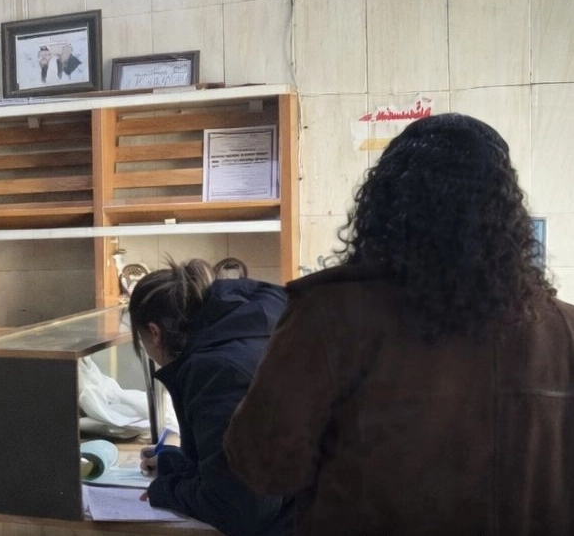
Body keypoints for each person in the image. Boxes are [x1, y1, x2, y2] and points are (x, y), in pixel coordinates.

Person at [224, 113, 574, 535]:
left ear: (384, 205)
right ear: (507, 212)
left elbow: (264, 467)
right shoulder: (564, 330)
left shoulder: (329, 315)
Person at [128, 257, 295, 536]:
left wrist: (166, 490)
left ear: (154, 333)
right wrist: (181, 466)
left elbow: (242, 508)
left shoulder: (216, 371)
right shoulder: (255, 329)